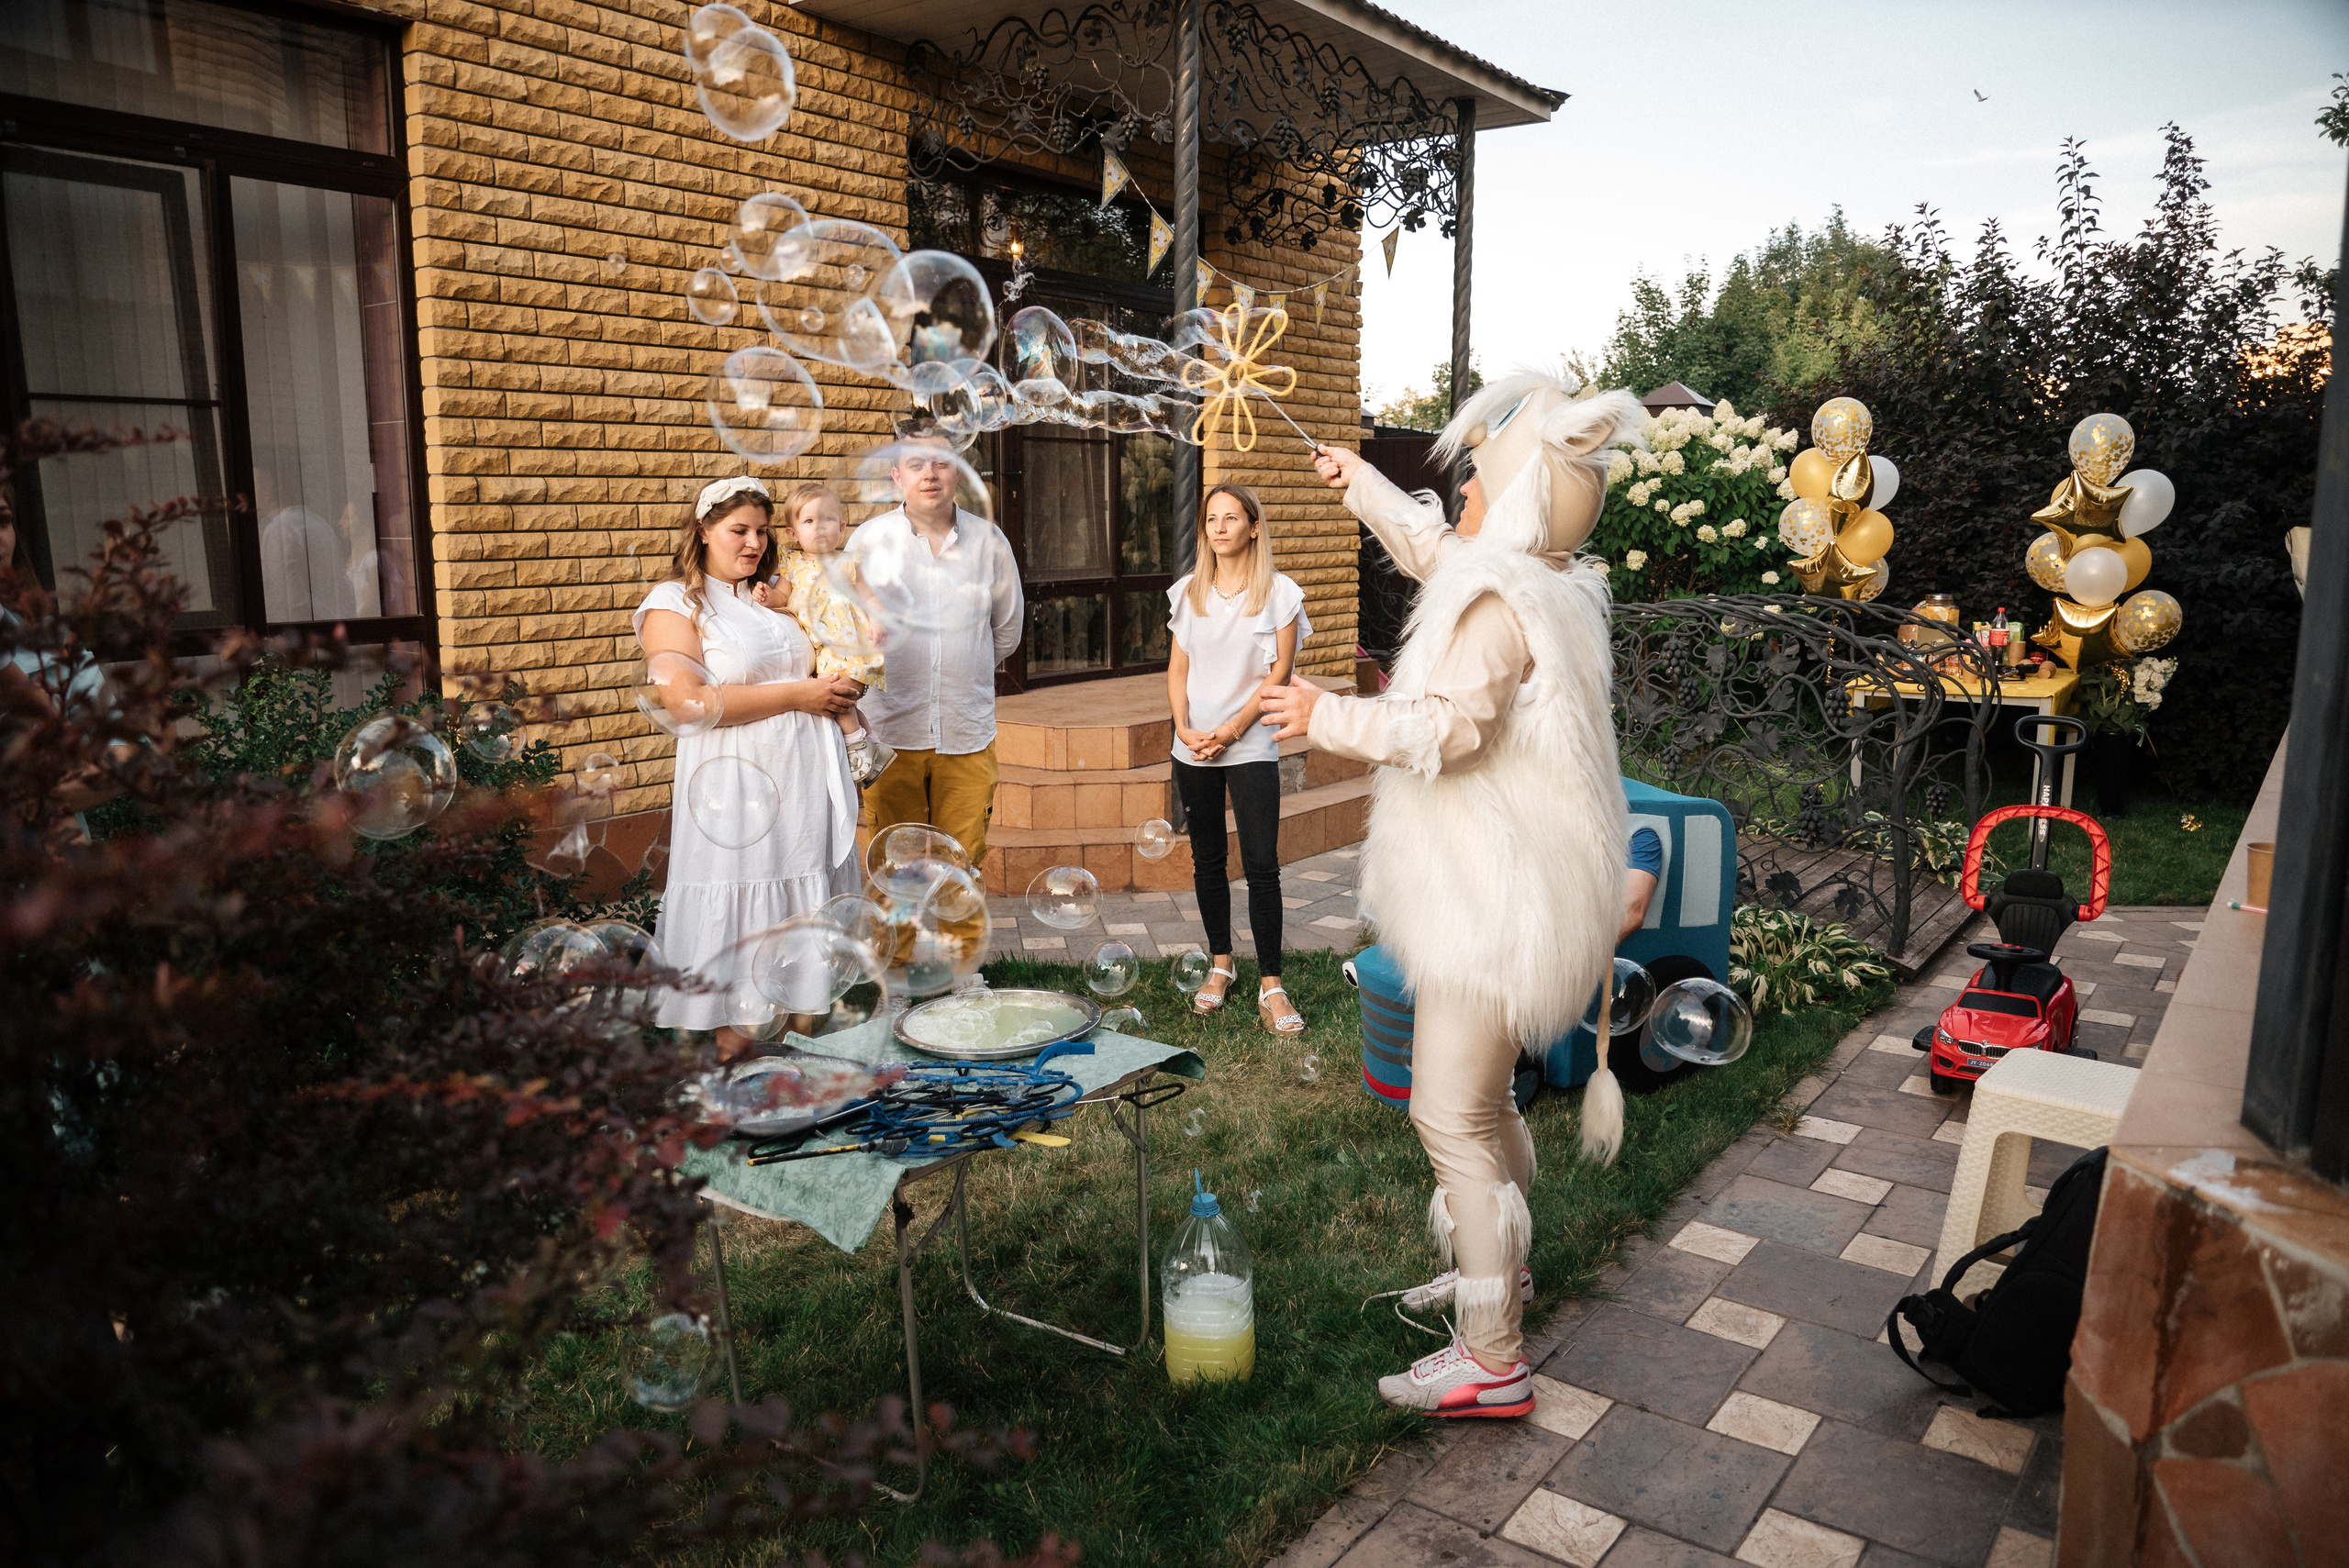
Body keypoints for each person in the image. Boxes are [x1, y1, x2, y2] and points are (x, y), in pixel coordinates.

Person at [1262, 367, 1645, 1419]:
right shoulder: (1542, 582)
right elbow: (1440, 547)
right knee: (1482, 1103)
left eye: (1479, 473)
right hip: (1514, 899)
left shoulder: (1494, 607)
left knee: (1448, 1113)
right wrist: (1362, 487)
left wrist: (1321, 713)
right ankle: (1502, 1266)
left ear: (1517, 496)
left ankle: (1491, 1352)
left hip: (1491, 906)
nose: (1462, 484)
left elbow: (1443, 730)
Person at [635, 475, 863, 1058]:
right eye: (738, 530)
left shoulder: (775, 596)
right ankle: (738, 1078)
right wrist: (801, 695)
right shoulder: (674, 604)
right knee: (747, 928)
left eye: (762, 531)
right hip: (735, 792)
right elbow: (688, 704)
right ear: (703, 531)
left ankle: (792, 1072)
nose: (754, 543)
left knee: (799, 930)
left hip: (802, 786)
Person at [850, 417, 1023, 920]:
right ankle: (897, 974)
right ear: (895, 477)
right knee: (892, 864)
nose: (931, 474)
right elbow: (847, 626)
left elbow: (1005, 630)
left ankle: (961, 973)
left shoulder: (989, 542)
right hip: (890, 733)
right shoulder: (868, 540)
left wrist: (960, 673)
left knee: (963, 859)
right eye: (916, 464)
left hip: (966, 731)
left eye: (943, 463)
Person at [1166, 483, 1308, 1035]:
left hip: (1248, 744)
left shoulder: (1281, 594)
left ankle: (1271, 984)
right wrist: (1183, 727)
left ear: (1254, 527)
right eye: (1210, 519)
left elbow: (1278, 676)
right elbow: (1177, 672)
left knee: (1261, 865)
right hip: (1194, 745)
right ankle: (1221, 964)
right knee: (1207, 861)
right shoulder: (1187, 593)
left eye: (1231, 518)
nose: (1219, 527)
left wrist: (1231, 730)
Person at [758, 483, 894, 784]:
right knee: (845, 701)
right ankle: (872, 744)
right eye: (808, 521)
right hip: (820, 650)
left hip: (848, 645)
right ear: (793, 533)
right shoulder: (792, 565)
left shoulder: (848, 563)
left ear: (842, 527)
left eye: (828, 519)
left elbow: (869, 597)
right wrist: (768, 598)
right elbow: (782, 597)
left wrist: (877, 620)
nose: (819, 526)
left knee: (835, 696)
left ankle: (855, 745)